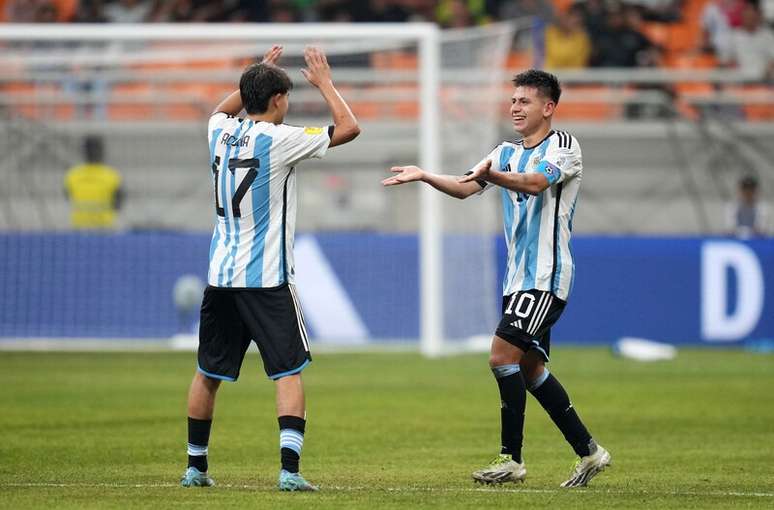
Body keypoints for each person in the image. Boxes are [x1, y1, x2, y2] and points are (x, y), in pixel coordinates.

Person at [382, 69, 611, 488]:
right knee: (530, 369)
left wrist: (491, 175)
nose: (515, 108)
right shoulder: (504, 151)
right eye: (513, 101)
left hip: (545, 276)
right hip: (516, 279)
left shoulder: (564, 146)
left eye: (524, 101)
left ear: (548, 107)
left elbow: (537, 183)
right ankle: (590, 452)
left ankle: (511, 459)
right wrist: (424, 174)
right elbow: (467, 186)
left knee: (500, 356)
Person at [180, 45, 359, 491]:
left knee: (208, 372)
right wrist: (325, 84)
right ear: (279, 100)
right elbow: (350, 128)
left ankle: (195, 468)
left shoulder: (218, 130)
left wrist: (256, 75)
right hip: (266, 278)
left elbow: (225, 107)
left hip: (221, 275)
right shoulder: (282, 139)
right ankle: (289, 472)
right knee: (288, 370)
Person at [64, 135, 123, 229]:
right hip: (105, 226)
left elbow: (67, 197)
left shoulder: (73, 175)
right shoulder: (112, 175)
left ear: (84, 152)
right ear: (102, 152)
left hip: (80, 226)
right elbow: (118, 202)